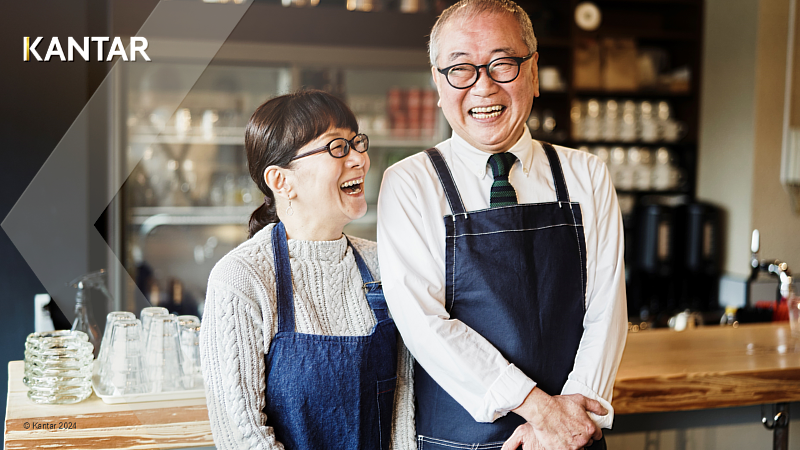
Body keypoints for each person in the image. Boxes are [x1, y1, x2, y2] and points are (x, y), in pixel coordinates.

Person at [376, 0, 627, 448]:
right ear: (438, 82)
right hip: (460, 438)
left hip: (572, 434)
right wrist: (539, 409)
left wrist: (570, 414)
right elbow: (424, 324)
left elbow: (608, 309)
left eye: (502, 64)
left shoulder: (586, 175)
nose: (483, 87)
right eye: (460, 69)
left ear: (533, 73)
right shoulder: (410, 183)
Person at [200, 90, 415, 450]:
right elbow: (242, 436)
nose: (360, 159)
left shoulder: (384, 265)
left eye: (356, 142)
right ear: (281, 181)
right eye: (337, 147)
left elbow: (404, 407)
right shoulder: (242, 278)